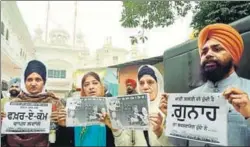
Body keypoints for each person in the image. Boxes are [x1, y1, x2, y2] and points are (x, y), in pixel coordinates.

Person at [160, 23, 250, 146]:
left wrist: (249, 114)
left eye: (217, 49)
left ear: (233, 55)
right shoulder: (191, 96)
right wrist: (172, 119)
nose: (208, 54)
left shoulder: (247, 90)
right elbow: (180, 144)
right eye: (204, 52)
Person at [1, 60, 73, 147]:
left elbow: (66, 137)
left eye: (38, 79)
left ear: (44, 82)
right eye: (29, 79)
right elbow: (5, 135)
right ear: (25, 82)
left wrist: (63, 124)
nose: (33, 83)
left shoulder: (55, 103)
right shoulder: (14, 104)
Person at [103, 65, 170, 146]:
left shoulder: (167, 109)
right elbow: (125, 144)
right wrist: (116, 130)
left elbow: (176, 144)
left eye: (150, 82)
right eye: (141, 83)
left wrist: (159, 131)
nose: (145, 87)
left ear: (158, 84)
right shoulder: (132, 109)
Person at [58, 72, 115, 147]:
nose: (91, 87)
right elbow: (65, 141)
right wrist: (63, 127)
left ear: (101, 86)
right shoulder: (74, 110)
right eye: (86, 84)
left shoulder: (112, 109)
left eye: (95, 83)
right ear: (83, 90)